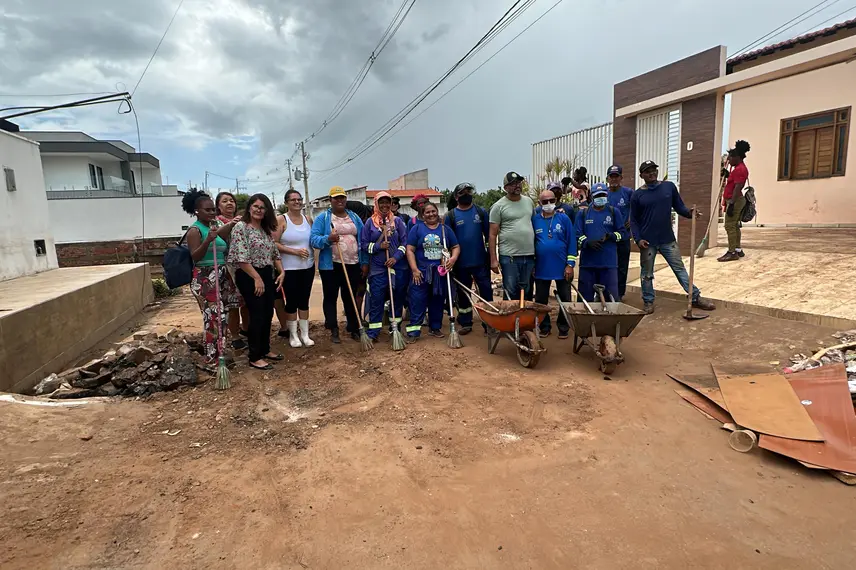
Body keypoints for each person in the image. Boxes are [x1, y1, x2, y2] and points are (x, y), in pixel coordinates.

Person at [631, 161, 716, 315]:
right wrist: (638, 239)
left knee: (680, 270)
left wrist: (689, 213)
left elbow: (679, 207)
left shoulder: (668, 187)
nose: (652, 173)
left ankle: (695, 297)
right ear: (641, 175)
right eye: (647, 171)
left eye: (653, 170)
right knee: (647, 274)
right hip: (648, 242)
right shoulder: (637, 195)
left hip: (667, 240)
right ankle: (648, 301)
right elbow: (634, 220)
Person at [220, 194, 285, 370]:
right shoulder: (241, 228)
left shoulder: (264, 229)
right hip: (249, 274)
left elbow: (274, 253)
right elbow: (241, 257)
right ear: (249, 207)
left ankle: (265, 349)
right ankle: (255, 356)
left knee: (267, 313)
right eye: (256, 206)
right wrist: (256, 278)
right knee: (256, 314)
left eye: (262, 207)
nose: (258, 210)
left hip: (266, 273)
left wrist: (282, 271)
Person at [181, 189, 240, 363]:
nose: (212, 213)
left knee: (224, 317)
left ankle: (221, 351)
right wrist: (208, 240)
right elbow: (195, 256)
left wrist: (231, 224)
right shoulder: (195, 230)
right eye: (207, 210)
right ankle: (213, 357)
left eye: (213, 209)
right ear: (197, 211)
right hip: (206, 278)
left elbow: (223, 236)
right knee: (214, 318)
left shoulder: (212, 226)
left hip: (221, 275)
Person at [311, 186, 369, 344]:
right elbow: (313, 239)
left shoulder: (354, 217)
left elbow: (362, 241)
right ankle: (333, 328)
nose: (340, 200)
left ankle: (353, 327)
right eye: (336, 198)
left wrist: (364, 262)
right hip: (331, 266)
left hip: (353, 264)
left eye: (342, 197)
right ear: (330, 200)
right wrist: (328, 238)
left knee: (350, 296)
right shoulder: (323, 218)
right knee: (330, 296)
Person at [406, 202, 460, 342]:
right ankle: (414, 331)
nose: (431, 214)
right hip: (421, 272)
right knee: (417, 300)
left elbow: (456, 246)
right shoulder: (416, 229)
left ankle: (435, 327)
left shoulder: (445, 230)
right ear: (423, 215)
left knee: (437, 300)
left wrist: (453, 259)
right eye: (427, 212)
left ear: (437, 212)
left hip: (440, 272)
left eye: (433, 211)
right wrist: (414, 269)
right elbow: (410, 250)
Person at [361, 191, 409, 342]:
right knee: (377, 300)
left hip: (397, 268)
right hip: (377, 269)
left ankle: (394, 329)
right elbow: (363, 245)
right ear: (376, 203)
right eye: (381, 202)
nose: (384, 205)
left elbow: (405, 244)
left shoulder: (398, 222)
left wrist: (395, 257)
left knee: (397, 299)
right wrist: (378, 246)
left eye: (387, 202)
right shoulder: (370, 223)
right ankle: (373, 332)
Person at [444, 182, 492, 335]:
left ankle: (489, 323)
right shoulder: (450, 216)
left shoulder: (481, 212)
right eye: (463, 192)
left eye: (469, 191)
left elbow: (488, 236)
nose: (467, 194)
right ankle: (466, 322)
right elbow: (447, 241)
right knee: (463, 294)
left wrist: (491, 258)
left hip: (480, 261)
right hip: (460, 263)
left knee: (486, 292)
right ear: (456, 197)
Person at [274, 189, 315, 348]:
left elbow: (312, 241)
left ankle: (305, 334)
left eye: (299, 199)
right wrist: (295, 252)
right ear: (286, 203)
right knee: (291, 301)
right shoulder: (281, 220)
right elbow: (274, 243)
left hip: (307, 266)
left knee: (304, 300)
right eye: (293, 200)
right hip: (289, 268)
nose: (297, 202)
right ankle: (293, 334)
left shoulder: (308, 219)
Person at [532, 188, 577, 338]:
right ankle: (545, 327)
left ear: (556, 201)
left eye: (552, 200)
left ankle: (563, 328)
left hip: (562, 267)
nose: (549, 203)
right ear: (539, 203)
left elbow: (572, 242)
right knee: (540, 300)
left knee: (565, 298)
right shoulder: (535, 220)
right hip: (541, 267)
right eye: (545, 202)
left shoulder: (564, 219)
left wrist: (570, 265)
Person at [575, 184, 627, 302]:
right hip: (588, 265)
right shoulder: (583, 213)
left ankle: (611, 320)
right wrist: (587, 242)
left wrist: (611, 236)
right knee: (585, 301)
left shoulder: (614, 212)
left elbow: (623, 234)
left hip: (608, 264)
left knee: (611, 299)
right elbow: (577, 234)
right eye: (598, 195)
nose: (601, 197)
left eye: (603, 195)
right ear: (592, 196)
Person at [489, 171, 535, 300]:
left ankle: (525, 319)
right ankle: (511, 320)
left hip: (529, 256)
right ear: (506, 188)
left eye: (519, 182)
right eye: (513, 183)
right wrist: (493, 260)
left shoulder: (529, 202)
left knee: (527, 291)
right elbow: (492, 235)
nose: (517, 186)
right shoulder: (498, 207)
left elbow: (534, 225)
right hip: (509, 257)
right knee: (511, 292)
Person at [215, 191, 249, 348]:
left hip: (245, 266)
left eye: (231, 201)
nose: (229, 203)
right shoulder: (216, 222)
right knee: (233, 305)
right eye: (224, 201)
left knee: (247, 302)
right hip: (228, 269)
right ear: (218, 206)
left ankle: (246, 330)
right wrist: (231, 224)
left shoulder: (244, 220)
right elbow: (216, 238)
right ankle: (235, 337)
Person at [719, 140, 751, 262]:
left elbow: (738, 187)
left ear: (737, 157)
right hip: (734, 199)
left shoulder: (740, 169)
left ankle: (732, 252)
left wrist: (731, 203)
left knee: (729, 226)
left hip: (735, 200)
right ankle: (737, 249)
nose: (729, 160)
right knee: (735, 225)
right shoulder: (737, 168)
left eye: (730, 157)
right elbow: (734, 182)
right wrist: (727, 175)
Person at [605, 165, 634, 300]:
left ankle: (619, 294)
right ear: (608, 178)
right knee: (607, 266)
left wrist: (631, 219)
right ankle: (605, 293)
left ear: (621, 178)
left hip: (623, 237)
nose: (614, 179)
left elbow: (637, 209)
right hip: (608, 239)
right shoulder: (603, 194)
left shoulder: (628, 193)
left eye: (617, 176)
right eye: (612, 176)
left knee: (622, 268)